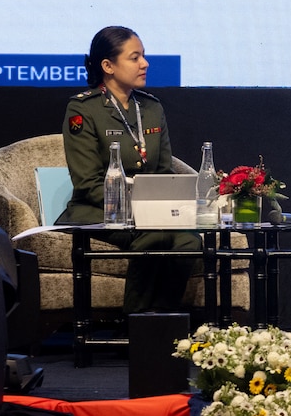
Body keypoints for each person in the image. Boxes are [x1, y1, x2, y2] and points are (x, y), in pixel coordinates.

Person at [57, 27, 201, 314]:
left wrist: (162, 206)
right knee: (154, 233)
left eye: (143, 56)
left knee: (188, 238)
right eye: (134, 57)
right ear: (107, 66)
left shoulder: (151, 108)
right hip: (96, 208)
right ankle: (136, 325)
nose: (144, 64)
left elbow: (162, 172)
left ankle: (163, 321)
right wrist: (140, 207)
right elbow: (87, 182)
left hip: (147, 207)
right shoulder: (83, 108)